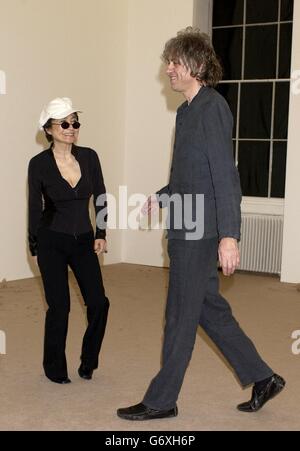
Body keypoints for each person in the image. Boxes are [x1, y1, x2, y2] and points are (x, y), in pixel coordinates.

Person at [117, 28, 285, 420]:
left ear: (195, 65)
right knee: (208, 309)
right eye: (168, 62)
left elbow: (225, 175)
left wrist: (230, 235)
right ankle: (263, 377)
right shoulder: (187, 110)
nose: (168, 69)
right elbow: (190, 172)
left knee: (178, 314)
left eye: (175, 62)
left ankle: (162, 400)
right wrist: (162, 194)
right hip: (183, 224)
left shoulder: (212, 108)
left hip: (200, 231)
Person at [28, 97, 109, 384]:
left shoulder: (89, 157)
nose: (71, 127)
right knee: (59, 306)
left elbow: (100, 196)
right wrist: (35, 245)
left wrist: (101, 233)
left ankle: (89, 361)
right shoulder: (38, 164)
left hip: (84, 240)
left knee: (99, 303)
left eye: (75, 122)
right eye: (64, 123)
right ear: (49, 129)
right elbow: (34, 207)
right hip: (51, 240)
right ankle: (55, 369)